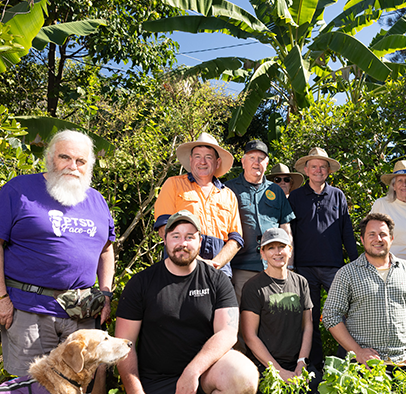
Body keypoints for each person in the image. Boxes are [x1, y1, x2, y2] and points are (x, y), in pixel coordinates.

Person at [0, 129, 115, 394]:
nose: (73, 166)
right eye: (65, 158)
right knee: (32, 386)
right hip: (28, 306)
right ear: (50, 158)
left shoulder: (96, 201)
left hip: (80, 313)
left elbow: (106, 250)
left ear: (90, 166)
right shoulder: (19, 190)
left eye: (81, 161)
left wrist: (106, 292)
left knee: (90, 381)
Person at [115, 210, 258, 394]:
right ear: (165, 239)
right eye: (176, 236)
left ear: (200, 242)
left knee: (244, 377)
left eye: (190, 236)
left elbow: (227, 332)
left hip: (203, 374)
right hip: (157, 381)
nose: (183, 243)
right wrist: (135, 393)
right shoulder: (141, 283)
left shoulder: (216, 280)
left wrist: (192, 372)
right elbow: (123, 344)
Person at [323, 213, 406, 366]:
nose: (378, 239)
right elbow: (331, 315)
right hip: (363, 365)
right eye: (372, 234)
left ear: (392, 238)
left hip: (404, 363)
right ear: (362, 239)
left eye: (383, 234)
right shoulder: (347, 273)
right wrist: (357, 351)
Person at [289, 147, 359, 370]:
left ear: (328, 171)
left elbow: (346, 231)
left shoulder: (338, 195)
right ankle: (314, 366)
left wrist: (357, 262)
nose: (318, 170)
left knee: (346, 316)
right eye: (314, 166)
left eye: (322, 166)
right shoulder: (296, 197)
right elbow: (289, 231)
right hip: (304, 268)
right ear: (306, 170)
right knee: (310, 319)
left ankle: (345, 363)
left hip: (334, 267)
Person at [240, 228, 322, 394]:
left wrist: (302, 363)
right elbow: (249, 336)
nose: (277, 252)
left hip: (297, 363)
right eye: (270, 248)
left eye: (281, 246)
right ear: (262, 253)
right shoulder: (253, 287)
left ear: (290, 250)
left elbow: (307, 325)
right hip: (266, 366)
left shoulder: (301, 283)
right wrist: (278, 372)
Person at [153, 133, 243, 277]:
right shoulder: (173, 184)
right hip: (180, 264)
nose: (202, 162)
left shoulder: (229, 195)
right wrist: (197, 261)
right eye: (197, 156)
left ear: (217, 162)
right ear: (190, 160)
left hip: (220, 270)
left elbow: (236, 238)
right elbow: (164, 228)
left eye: (208, 157)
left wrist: (216, 264)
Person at [226, 140, 295, 301]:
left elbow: (286, 228)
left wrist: (289, 265)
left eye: (261, 158)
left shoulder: (276, 190)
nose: (256, 163)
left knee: (273, 318)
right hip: (241, 268)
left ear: (267, 163)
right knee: (242, 320)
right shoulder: (228, 189)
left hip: (273, 266)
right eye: (252, 158)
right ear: (243, 162)